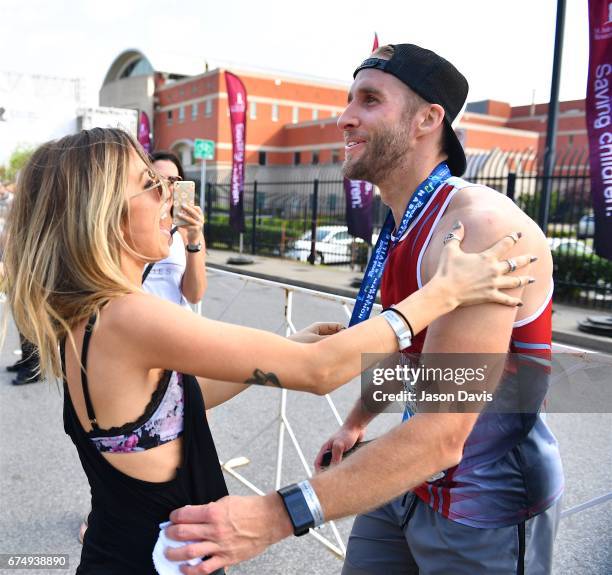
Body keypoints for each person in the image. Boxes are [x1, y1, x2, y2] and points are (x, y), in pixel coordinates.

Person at [4, 127, 531, 574]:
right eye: (150, 185)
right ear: (103, 216)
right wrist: (442, 295)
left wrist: (280, 353)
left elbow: (172, 403)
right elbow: (319, 371)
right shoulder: (128, 313)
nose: (172, 194)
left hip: (129, 550)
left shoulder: (91, 314)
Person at [163, 44, 561, 575]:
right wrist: (357, 422)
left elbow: (443, 435)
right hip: (402, 473)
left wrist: (270, 517)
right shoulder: (402, 222)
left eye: (369, 100)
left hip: (483, 503)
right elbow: (410, 347)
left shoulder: (479, 229)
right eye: (349, 99)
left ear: (427, 119)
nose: (344, 116)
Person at [142, 151, 207, 307]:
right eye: (156, 179)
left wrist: (193, 242)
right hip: (138, 325)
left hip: (177, 324)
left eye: (172, 181)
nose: (165, 187)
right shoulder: (130, 227)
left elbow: (194, 296)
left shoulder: (186, 231)